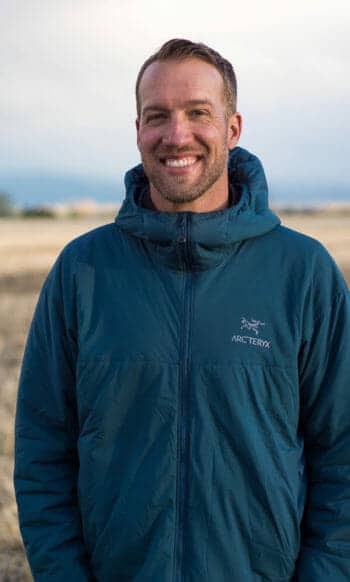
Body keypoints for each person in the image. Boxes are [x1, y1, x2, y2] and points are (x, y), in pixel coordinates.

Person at [14, 38, 350, 582]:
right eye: (157, 116)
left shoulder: (303, 273)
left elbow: (342, 457)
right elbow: (42, 455)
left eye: (198, 113)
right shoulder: (83, 272)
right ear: (138, 130)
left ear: (233, 128)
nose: (177, 135)